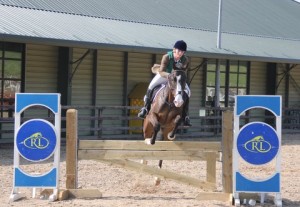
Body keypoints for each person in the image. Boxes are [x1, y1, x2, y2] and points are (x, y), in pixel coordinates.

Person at [137, 40, 192, 126]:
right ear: (174, 49)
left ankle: (185, 115)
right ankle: (145, 108)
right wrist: (170, 76)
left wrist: (178, 78)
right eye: (179, 50)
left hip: (176, 79)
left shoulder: (185, 59)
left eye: (182, 51)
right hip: (164, 75)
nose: (180, 53)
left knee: (188, 92)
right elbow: (162, 71)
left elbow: (183, 72)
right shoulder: (166, 57)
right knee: (151, 86)